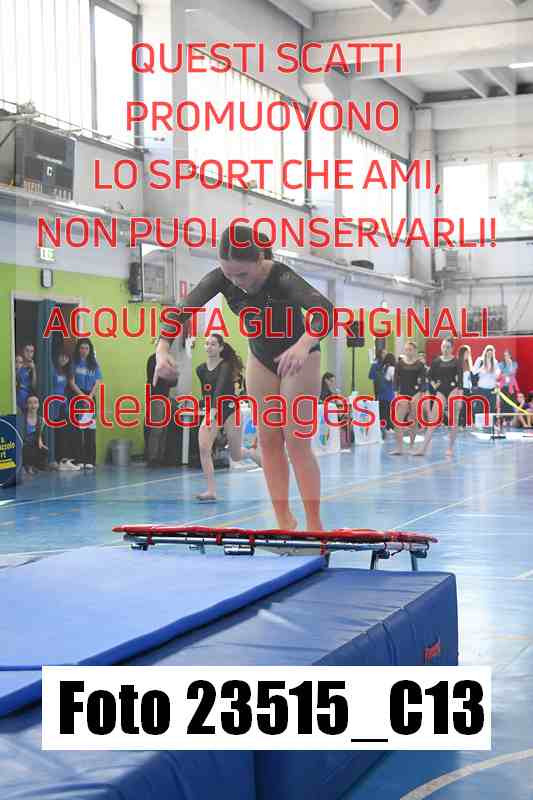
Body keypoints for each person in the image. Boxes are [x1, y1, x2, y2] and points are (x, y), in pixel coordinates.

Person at [155, 224, 334, 530]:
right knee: (268, 440)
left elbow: (325, 310)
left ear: (260, 260)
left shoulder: (281, 277)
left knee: (296, 441)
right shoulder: (223, 277)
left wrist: (304, 344)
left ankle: (315, 525)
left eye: (242, 274)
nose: (236, 282)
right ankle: (284, 522)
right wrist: (162, 349)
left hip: (299, 356)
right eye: (229, 274)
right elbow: (182, 309)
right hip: (261, 358)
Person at [195, 334, 262, 501]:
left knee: (236, 455)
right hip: (213, 410)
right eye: (207, 344)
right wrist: (207, 410)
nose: (209, 347)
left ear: (221, 347)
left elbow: (219, 390)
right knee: (204, 448)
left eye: (213, 344)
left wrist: (212, 413)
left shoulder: (225, 366)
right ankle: (211, 490)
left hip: (230, 410)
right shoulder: (200, 369)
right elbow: (207, 393)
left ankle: (251, 454)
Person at [417, 337, 461, 457]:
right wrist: (434, 385)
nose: (445, 349)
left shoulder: (456, 361)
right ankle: (423, 448)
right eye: (443, 346)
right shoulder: (436, 361)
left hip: (453, 390)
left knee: (453, 421)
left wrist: (460, 397)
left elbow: (460, 381)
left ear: (452, 348)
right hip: (441, 391)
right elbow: (429, 376)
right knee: (432, 421)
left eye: (448, 347)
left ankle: (450, 448)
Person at [69, 338, 102, 469]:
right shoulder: (74, 363)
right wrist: (82, 397)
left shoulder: (94, 364)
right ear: (78, 349)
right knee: (78, 429)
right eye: (82, 348)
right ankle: (79, 459)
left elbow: (97, 382)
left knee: (90, 429)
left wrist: (90, 397)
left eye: (86, 348)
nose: (84, 350)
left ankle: (90, 460)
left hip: (90, 396)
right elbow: (72, 382)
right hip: (78, 396)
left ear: (90, 350)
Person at [390, 341, 427, 455]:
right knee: (397, 421)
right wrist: (396, 393)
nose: (408, 351)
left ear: (415, 351)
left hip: (415, 393)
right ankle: (399, 447)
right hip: (403, 393)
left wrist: (419, 394)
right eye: (406, 349)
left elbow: (423, 382)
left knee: (413, 420)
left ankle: (411, 445)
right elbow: (395, 380)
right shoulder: (400, 364)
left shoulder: (420, 365)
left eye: (410, 349)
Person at [145, 350, 178, 466]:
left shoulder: (169, 360)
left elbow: (174, 381)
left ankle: (161, 456)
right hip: (156, 397)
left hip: (165, 397)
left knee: (164, 429)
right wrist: (170, 374)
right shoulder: (153, 359)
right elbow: (156, 377)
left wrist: (172, 375)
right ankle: (152, 457)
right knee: (157, 428)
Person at [49, 351, 80, 471]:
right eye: (62, 356)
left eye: (66, 357)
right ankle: (60, 460)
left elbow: (69, 385)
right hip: (53, 404)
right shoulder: (52, 370)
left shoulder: (66, 372)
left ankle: (65, 459)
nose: (63, 359)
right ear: (57, 357)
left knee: (66, 431)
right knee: (58, 432)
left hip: (63, 404)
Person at [320, 372, 351, 449]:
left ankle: (344, 439)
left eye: (333, 382)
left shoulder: (324, 389)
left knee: (345, 415)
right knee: (347, 416)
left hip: (327, 413)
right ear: (326, 380)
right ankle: (345, 440)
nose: (332, 384)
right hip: (328, 414)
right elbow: (330, 402)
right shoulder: (325, 391)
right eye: (331, 381)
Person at [20, 394, 48, 474]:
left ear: (38, 405)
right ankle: (26, 466)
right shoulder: (21, 419)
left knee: (44, 450)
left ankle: (34, 466)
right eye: (30, 403)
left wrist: (40, 443)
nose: (33, 406)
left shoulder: (41, 420)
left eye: (35, 403)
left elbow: (39, 436)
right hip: (24, 444)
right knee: (28, 449)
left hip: (34, 443)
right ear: (26, 405)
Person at [472, 344, 500, 421]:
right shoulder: (480, 360)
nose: (490, 354)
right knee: (480, 407)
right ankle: (479, 423)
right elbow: (473, 371)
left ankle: (490, 423)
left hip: (492, 389)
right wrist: (482, 368)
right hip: (482, 388)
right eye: (488, 352)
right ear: (485, 352)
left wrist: (494, 373)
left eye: (491, 353)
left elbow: (498, 373)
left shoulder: (495, 362)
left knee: (491, 407)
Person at [498, 350, 520, 428]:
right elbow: (499, 374)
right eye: (504, 355)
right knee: (503, 404)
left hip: (511, 387)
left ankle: (510, 420)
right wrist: (505, 374)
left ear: (510, 356)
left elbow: (512, 372)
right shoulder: (501, 364)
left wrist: (510, 365)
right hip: (503, 387)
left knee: (511, 403)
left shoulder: (514, 364)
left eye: (507, 355)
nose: (506, 357)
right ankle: (503, 420)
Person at [378, 353, 396, 438]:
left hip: (381, 394)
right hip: (389, 394)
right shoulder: (392, 368)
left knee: (382, 412)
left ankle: (382, 428)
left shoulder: (382, 367)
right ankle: (389, 428)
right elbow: (393, 380)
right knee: (389, 412)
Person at [457, 344, 474, 430]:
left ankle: (464, 424)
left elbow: (469, 377)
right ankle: (460, 425)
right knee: (462, 407)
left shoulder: (468, 363)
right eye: (467, 353)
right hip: (461, 388)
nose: (468, 354)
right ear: (462, 353)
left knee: (467, 406)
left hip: (468, 388)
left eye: (469, 353)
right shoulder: (459, 363)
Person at [16, 344, 37, 411]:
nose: (29, 354)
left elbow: (34, 386)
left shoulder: (34, 367)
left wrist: (33, 369)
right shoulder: (18, 363)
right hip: (17, 398)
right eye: (27, 351)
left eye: (31, 351)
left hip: (27, 400)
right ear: (23, 351)